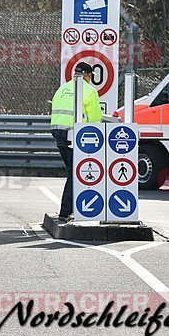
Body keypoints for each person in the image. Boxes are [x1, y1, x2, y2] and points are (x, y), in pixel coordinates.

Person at [50, 62, 103, 221]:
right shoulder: (89, 91)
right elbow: (95, 118)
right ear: (88, 75)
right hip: (74, 135)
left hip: (58, 132)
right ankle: (66, 212)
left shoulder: (63, 88)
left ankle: (72, 209)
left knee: (72, 171)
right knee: (74, 172)